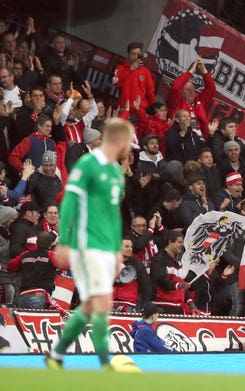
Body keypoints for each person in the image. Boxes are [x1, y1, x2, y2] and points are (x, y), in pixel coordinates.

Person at [46, 118, 133, 370]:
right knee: (102, 301)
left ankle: (56, 354)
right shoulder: (87, 164)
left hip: (107, 247)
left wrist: (117, 251)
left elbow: (113, 214)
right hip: (87, 244)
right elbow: (70, 201)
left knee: (88, 306)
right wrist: (66, 241)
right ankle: (106, 362)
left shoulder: (117, 173)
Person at [6, 232, 58, 309]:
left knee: (23, 320)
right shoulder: (52, 256)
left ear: (37, 242)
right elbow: (66, 266)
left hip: (23, 295)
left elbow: (10, 267)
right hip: (40, 295)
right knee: (37, 320)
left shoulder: (24, 255)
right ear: (51, 244)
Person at [166, 58, 215, 138]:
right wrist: (191, 71)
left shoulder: (199, 101)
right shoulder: (175, 102)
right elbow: (175, 88)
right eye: (188, 89)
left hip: (200, 138)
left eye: (193, 89)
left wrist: (203, 70)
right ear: (181, 92)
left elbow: (211, 89)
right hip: (181, 136)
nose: (192, 92)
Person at [150, 230, 195, 315]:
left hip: (178, 307)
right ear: (170, 242)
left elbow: (181, 284)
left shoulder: (178, 262)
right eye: (179, 242)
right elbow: (160, 280)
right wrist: (178, 285)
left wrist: (191, 303)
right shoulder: (159, 258)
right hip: (163, 306)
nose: (182, 245)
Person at [112, 238, 152, 313]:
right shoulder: (109, 262)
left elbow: (146, 286)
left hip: (129, 305)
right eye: (127, 246)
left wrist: (145, 306)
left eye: (131, 247)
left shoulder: (137, 264)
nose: (130, 249)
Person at [112, 42, 155, 111]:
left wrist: (152, 111)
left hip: (140, 110)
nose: (135, 56)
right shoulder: (120, 68)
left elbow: (151, 93)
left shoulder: (145, 71)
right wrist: (131, 69)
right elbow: (117, 84)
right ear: (128, 53)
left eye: (138, 54)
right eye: (133, 53)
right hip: (125, 109)